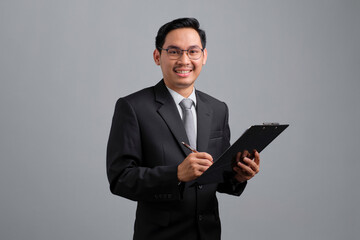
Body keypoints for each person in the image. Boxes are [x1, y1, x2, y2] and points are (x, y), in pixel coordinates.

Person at [107, 17, 260, 240]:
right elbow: (120, 178)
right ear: (157, 56)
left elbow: (217, 177)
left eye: (193, 51)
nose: (184, 60)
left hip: (208, 234)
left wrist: (239, 176)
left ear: (204, 56)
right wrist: (176, 174)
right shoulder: (132, 107)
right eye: (174, 51)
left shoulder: (217, 109)